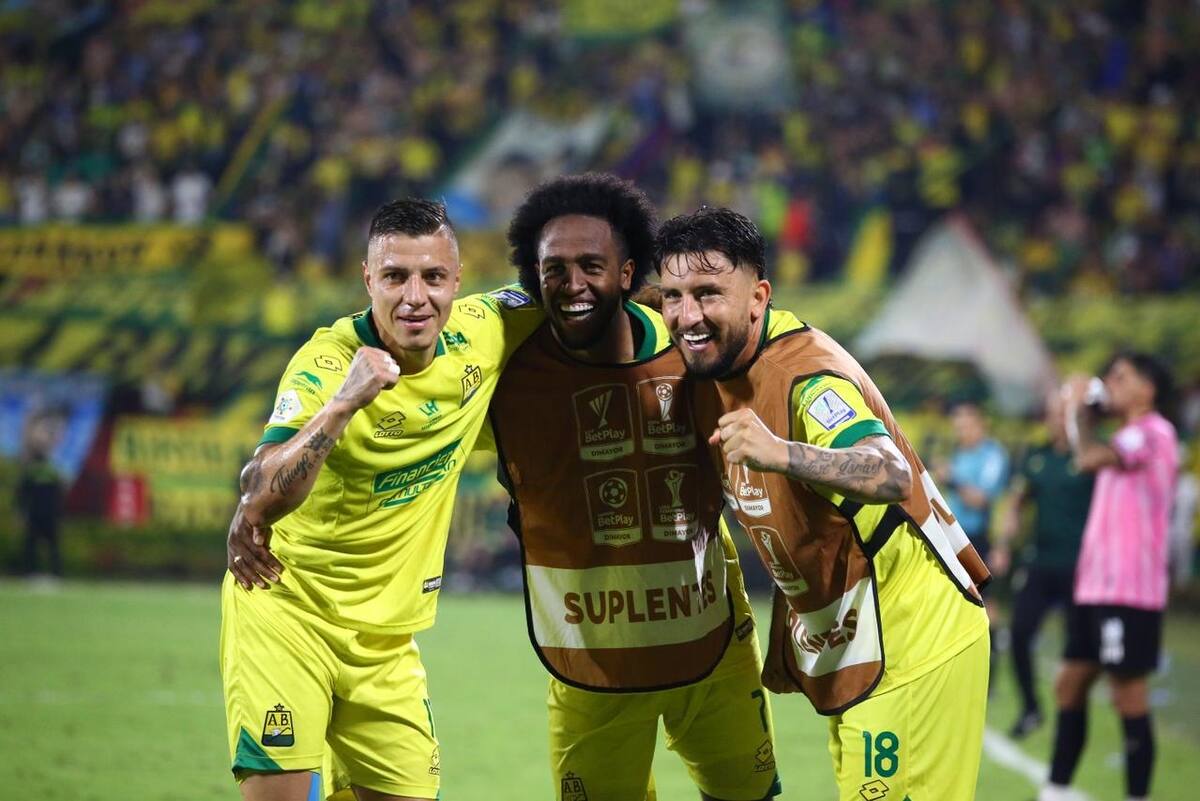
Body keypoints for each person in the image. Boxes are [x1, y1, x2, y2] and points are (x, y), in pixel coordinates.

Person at [655, 206, 990, 801]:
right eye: (673, 297)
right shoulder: (719, 363)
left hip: (912, 644)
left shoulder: (807, 378)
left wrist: (783, 453)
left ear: (758, 297)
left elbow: (889, 473)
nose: (687, 316)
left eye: (708, 294)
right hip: (856, 646)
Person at [221, 199, 541, 801]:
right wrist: (343, 405)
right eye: (395, 277)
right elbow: (259, 491)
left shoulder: (486, 327)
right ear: (368, 279)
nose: (415, 297)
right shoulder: (326, 362)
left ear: (458, 280)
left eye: (433, 277)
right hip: (289, 611)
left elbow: (586, 291)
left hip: (388, 640)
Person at [486, 174, 780, 801]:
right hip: (591, 658)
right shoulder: (506, 376)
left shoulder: (692, 344)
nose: (572, 283)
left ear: (626, 273)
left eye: (592, 265)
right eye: (554, 268)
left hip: (708, 635)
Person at [1040, 353, 1179, 801]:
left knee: (1127, 692)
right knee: (1070, 682)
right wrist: (1080, 412)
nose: (1110, 383)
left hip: (1128, 588)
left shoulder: (1153, 432)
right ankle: (1056, 791)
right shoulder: (1126, 434)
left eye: (1121, 377)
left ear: (1147, 389)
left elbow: (1090, 457)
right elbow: (1086, 452)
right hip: (1096, 585)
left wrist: (1082, 409)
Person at [995, 391, 1095, 739]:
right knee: (1019, 633)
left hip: (1081, 566)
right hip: (1040, 560)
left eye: (1064, 414)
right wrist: (1004, 545)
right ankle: (1031, 707)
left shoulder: (1090, 457)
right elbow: (1017, 504)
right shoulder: (1037, 457)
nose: (1057, 421)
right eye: (1053, 414)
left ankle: (1072, 715)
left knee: (1077, 647)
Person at [16, 415, 65, 578]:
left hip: (51, 513)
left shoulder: (57, 466)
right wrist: (21, 511)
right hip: (34, 513)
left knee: (53, 545)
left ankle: (56, 574)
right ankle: (29, 573)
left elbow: (61, 492)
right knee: (30, 544)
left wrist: (61, 513)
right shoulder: (30, 465)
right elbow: (22, 492)